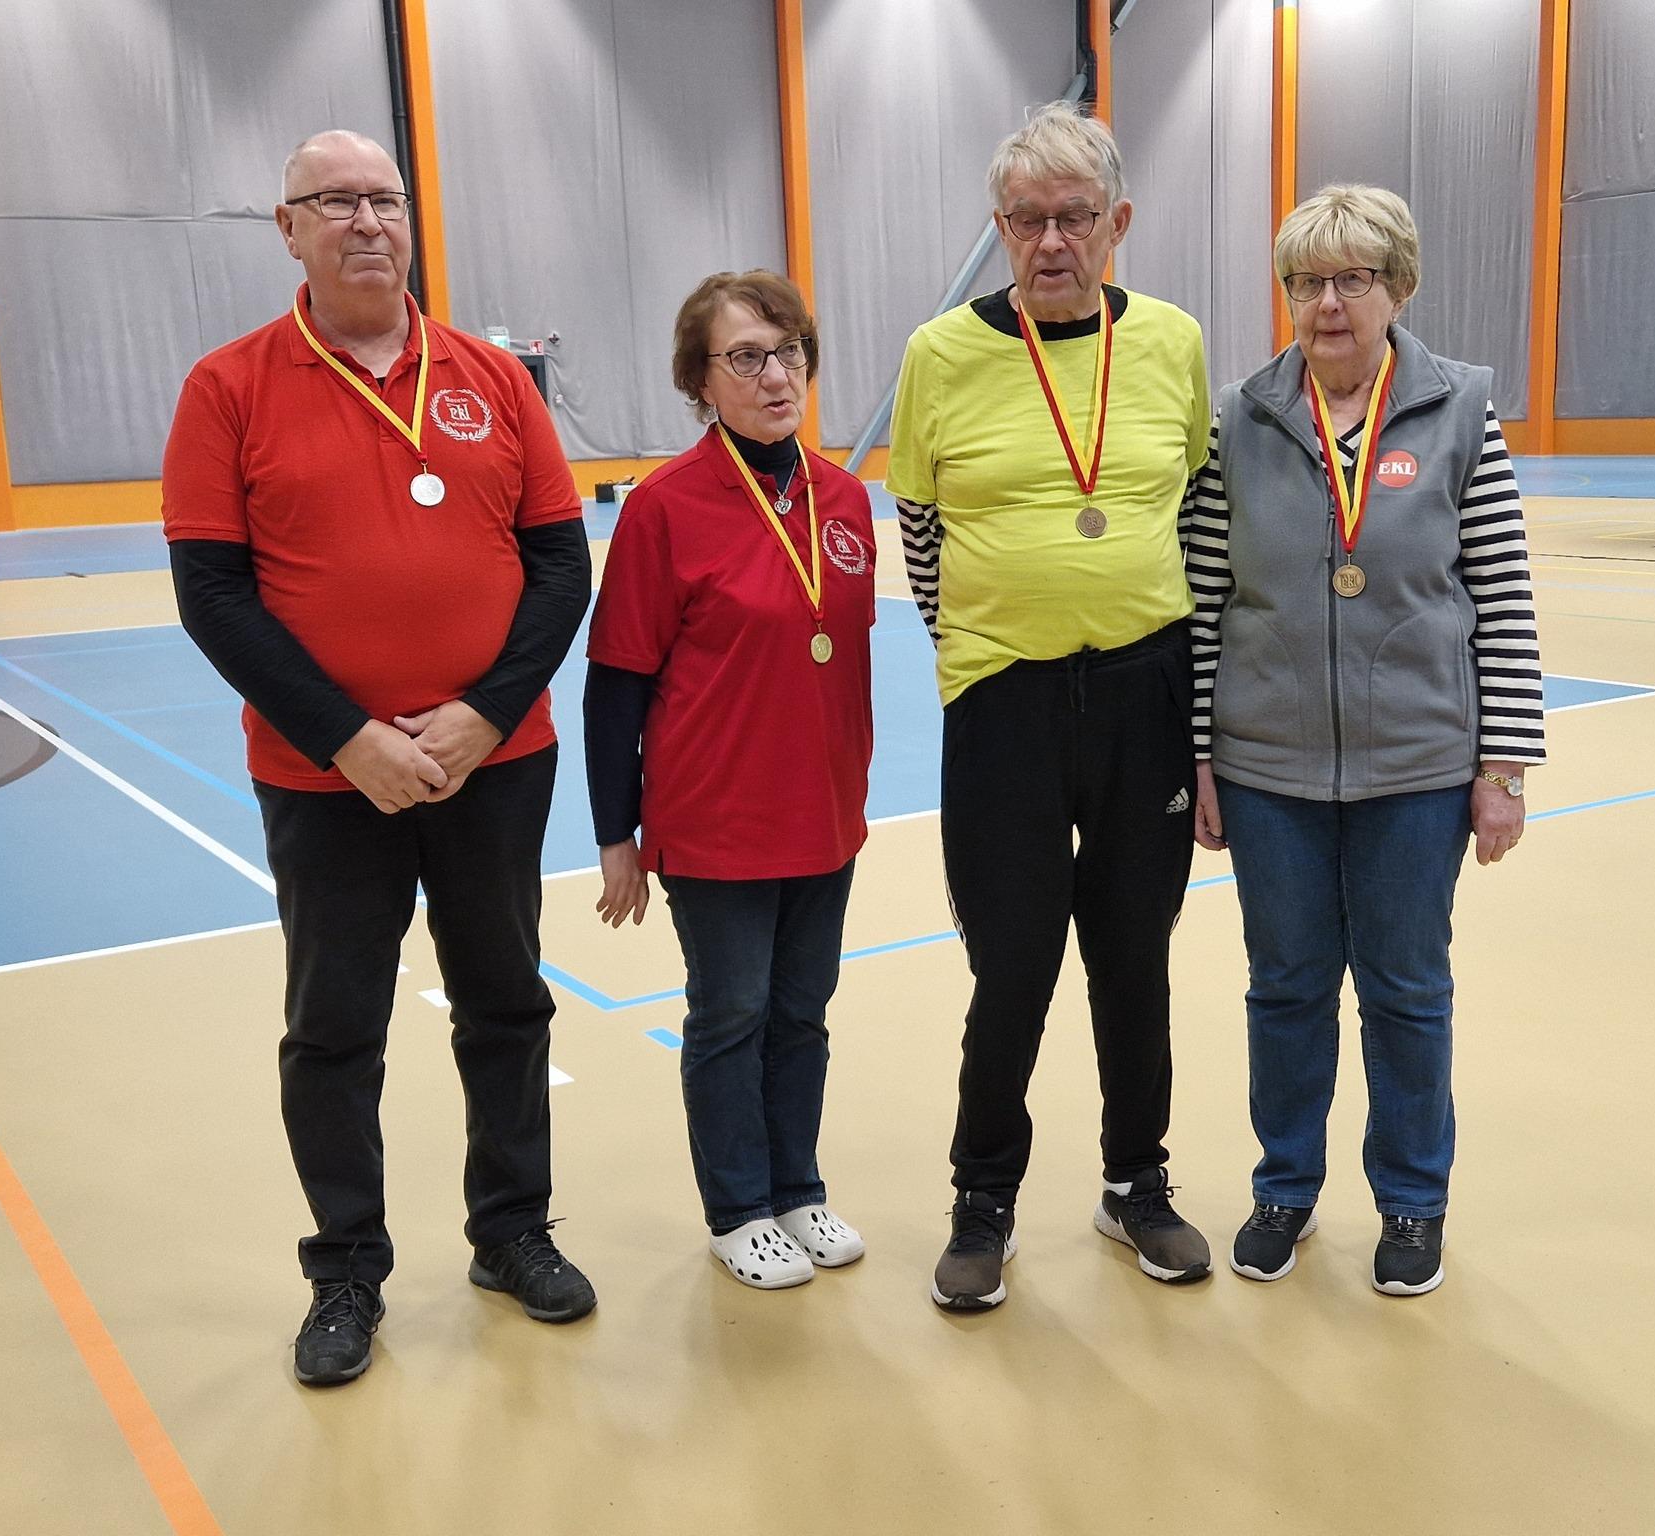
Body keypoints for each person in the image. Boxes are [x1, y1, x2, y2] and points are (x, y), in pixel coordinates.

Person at [162, 130, 595, 1385]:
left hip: (494, 764)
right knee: (335, 1027)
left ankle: (511, 1231)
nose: (365, 221)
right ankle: (345, 1269)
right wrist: (347, 737)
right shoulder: (227, 387)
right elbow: (213, 595)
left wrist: (483, 714)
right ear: (288, 229)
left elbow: (559, 565)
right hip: (324, 778)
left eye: (384, 199)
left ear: (409, 220)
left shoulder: (492, 377)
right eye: (335, 200)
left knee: (505, 1003)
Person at [1186, 183, 1546, 1297]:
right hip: (1266, 767)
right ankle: (1284, 1188)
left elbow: (1499, 595)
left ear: (1398, 287)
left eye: (1352, 279)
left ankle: (1411, 1203)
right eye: (1306, 281)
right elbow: (1204, 597)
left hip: (1417, 768)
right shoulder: (1239, 418)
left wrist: (1502, 767)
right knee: (1285, 986)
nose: (1327, 304)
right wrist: (1198, 754)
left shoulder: (1458, 410)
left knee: (1405, 991)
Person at [888, 102, 1214, 1311]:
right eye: (1024, 220)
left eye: (1072, 217)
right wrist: (983, 648)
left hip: (1143, 696)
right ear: (1000, 227)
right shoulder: (939, 356)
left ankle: (1135, 1182)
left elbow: (1196, 513)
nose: (1049, 242)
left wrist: (1191, 711)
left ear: (1115, 221)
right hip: (1003, 708)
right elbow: (919, 530)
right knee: (1011, 969)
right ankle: (983, 1200)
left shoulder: (1171, 342)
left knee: (1134, 961)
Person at [584, 271, 876, 1290]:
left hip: (825, 816)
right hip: (715, 822)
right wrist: (615, 836)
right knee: (730, 1016)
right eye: (744, 357)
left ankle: (796, 1188)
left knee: (802, 1013)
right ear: (700, 381)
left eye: (788, 351)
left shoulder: (844, 499)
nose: (774, 375)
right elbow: (616, 684)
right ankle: (738, 1209)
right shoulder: (664, 508)